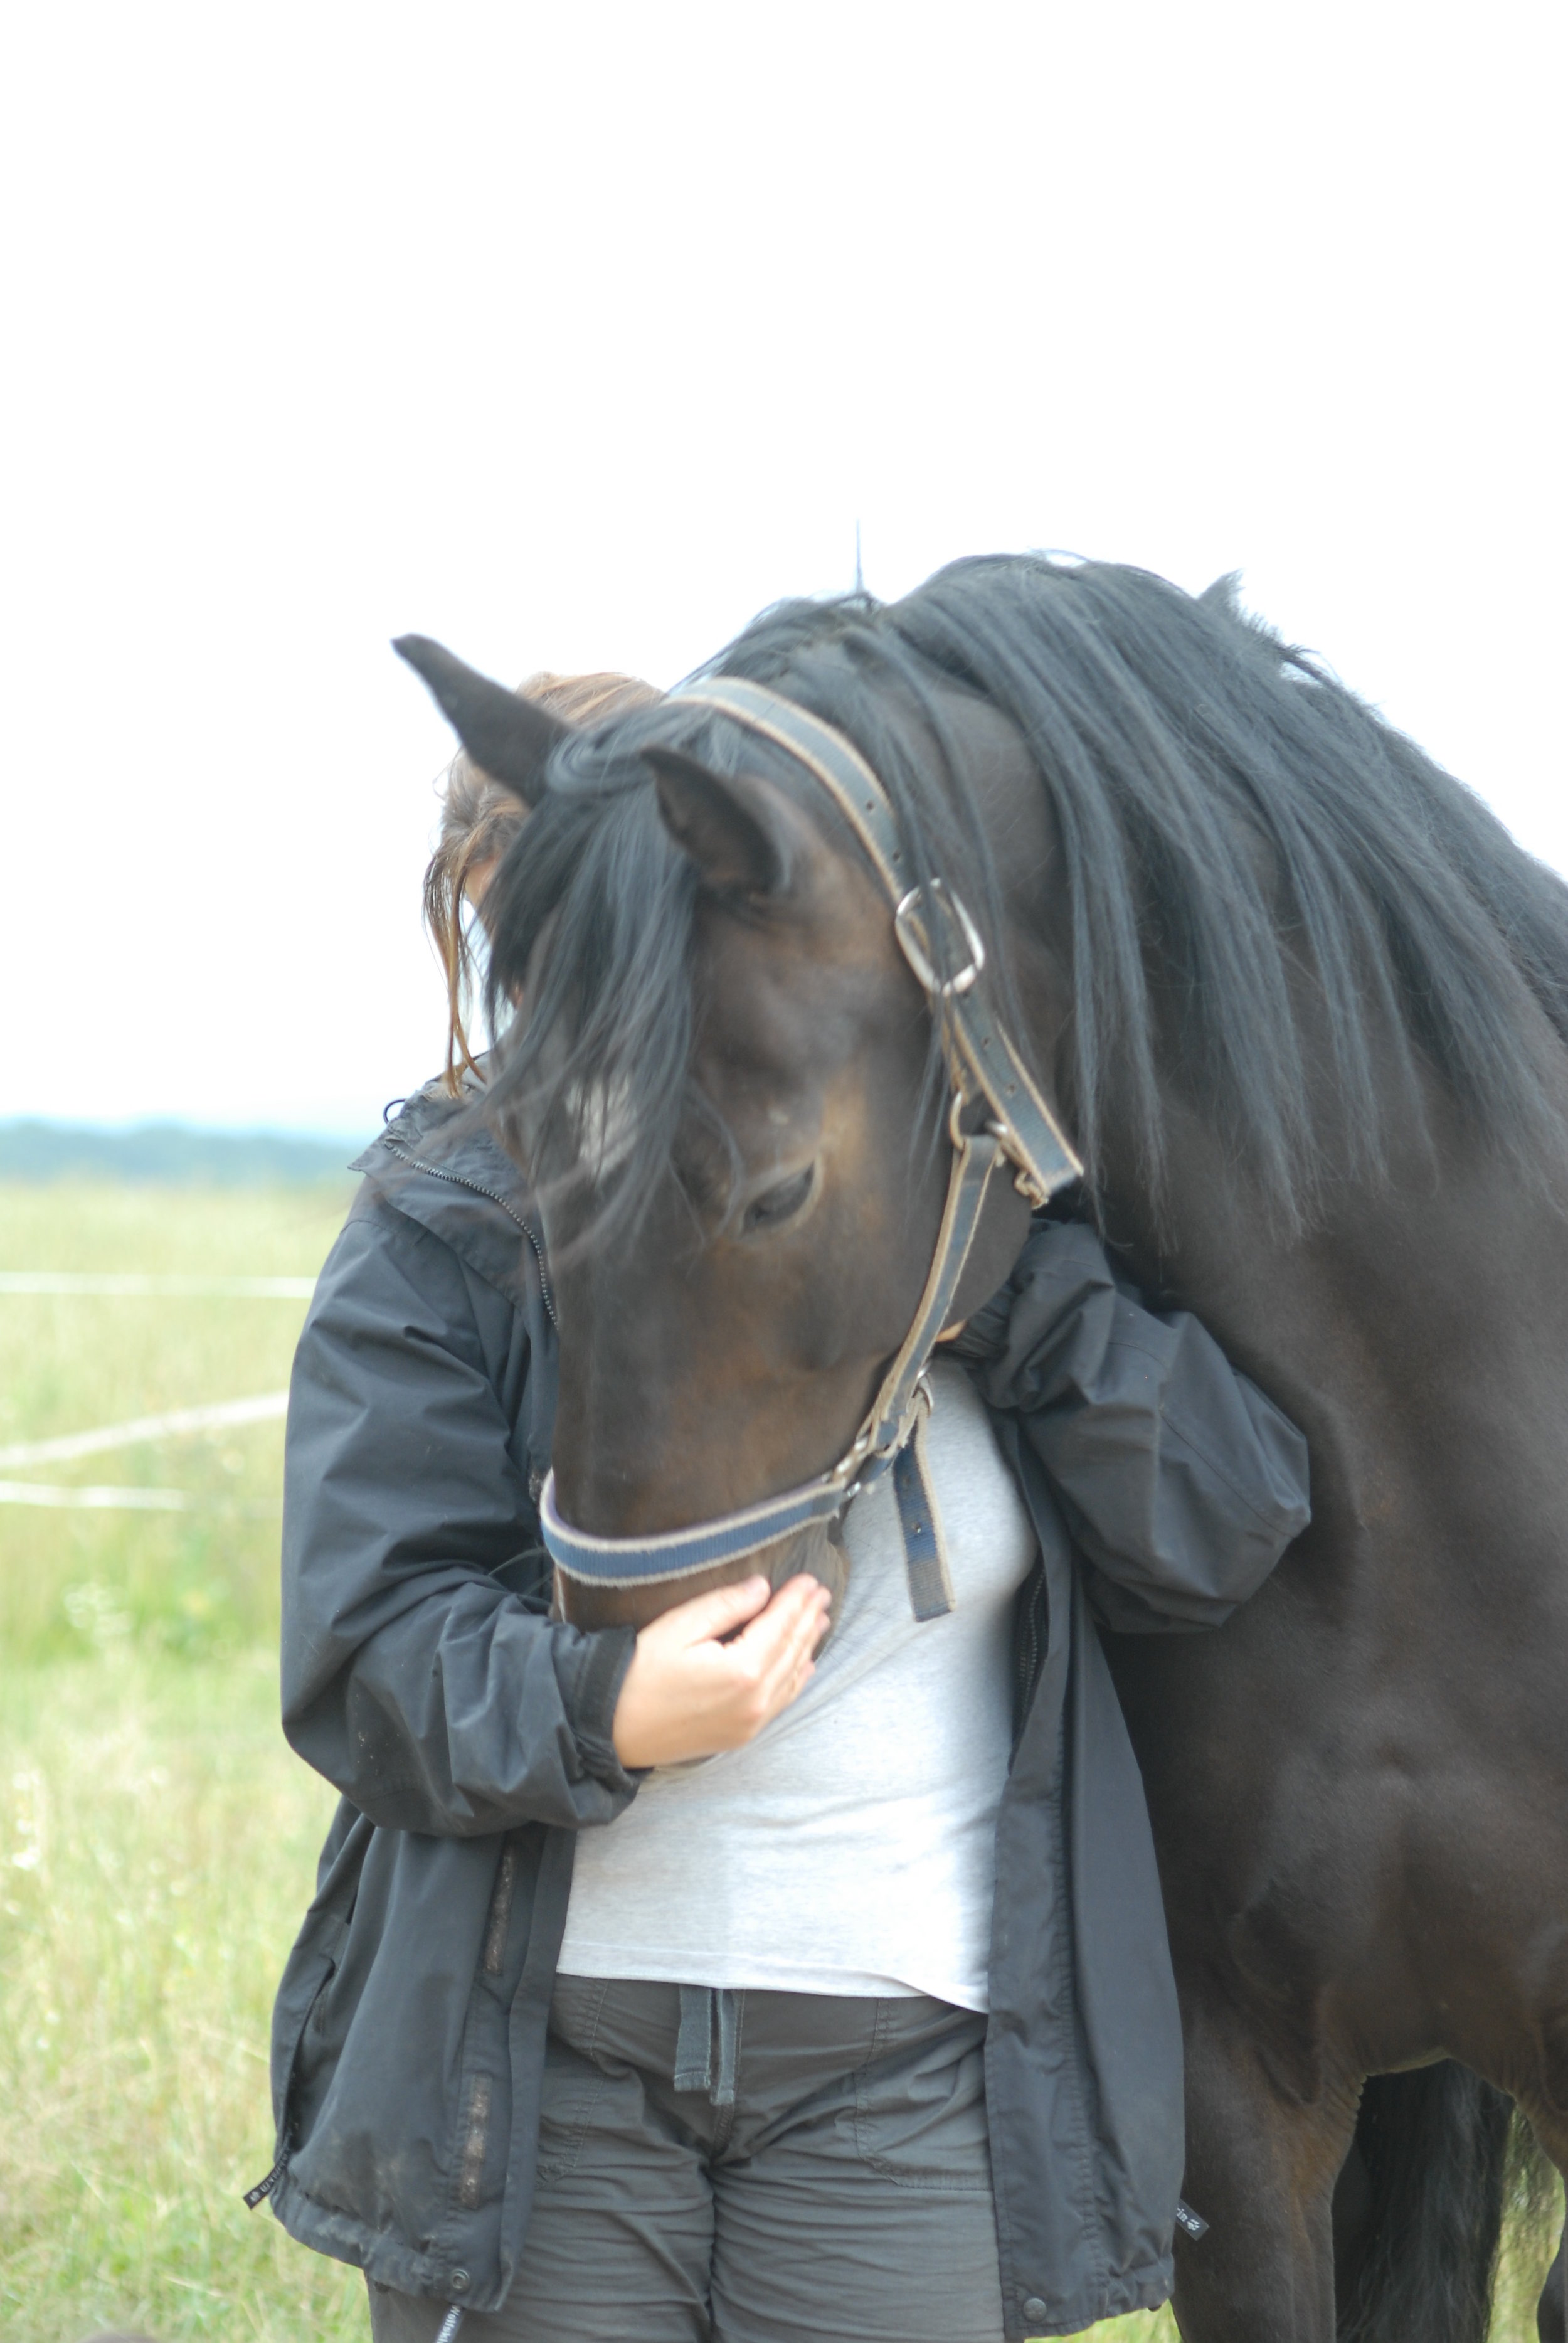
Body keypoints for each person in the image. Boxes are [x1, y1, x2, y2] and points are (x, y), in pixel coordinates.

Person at [260, 679, 1312, 2343]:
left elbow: (1216, 1526)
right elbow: (365, 1663)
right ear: (487, 916)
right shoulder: (438, 1231)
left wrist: (999, 1304)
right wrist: (613, 1705)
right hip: (544, 2082)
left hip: (904, 2084)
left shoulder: (936, 1195)